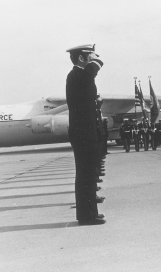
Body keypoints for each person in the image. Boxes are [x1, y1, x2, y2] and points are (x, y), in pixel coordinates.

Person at [65, 44, 105, 225]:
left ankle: (89, 213)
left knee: (87, 175)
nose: (93, 57)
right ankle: (87, 215)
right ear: (81, 58)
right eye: (90, 55)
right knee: (85, 174)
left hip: (87, 131)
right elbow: (95, 67)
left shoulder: (81, 77)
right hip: (83, 133)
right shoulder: (77, 75)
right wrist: (97, 59)